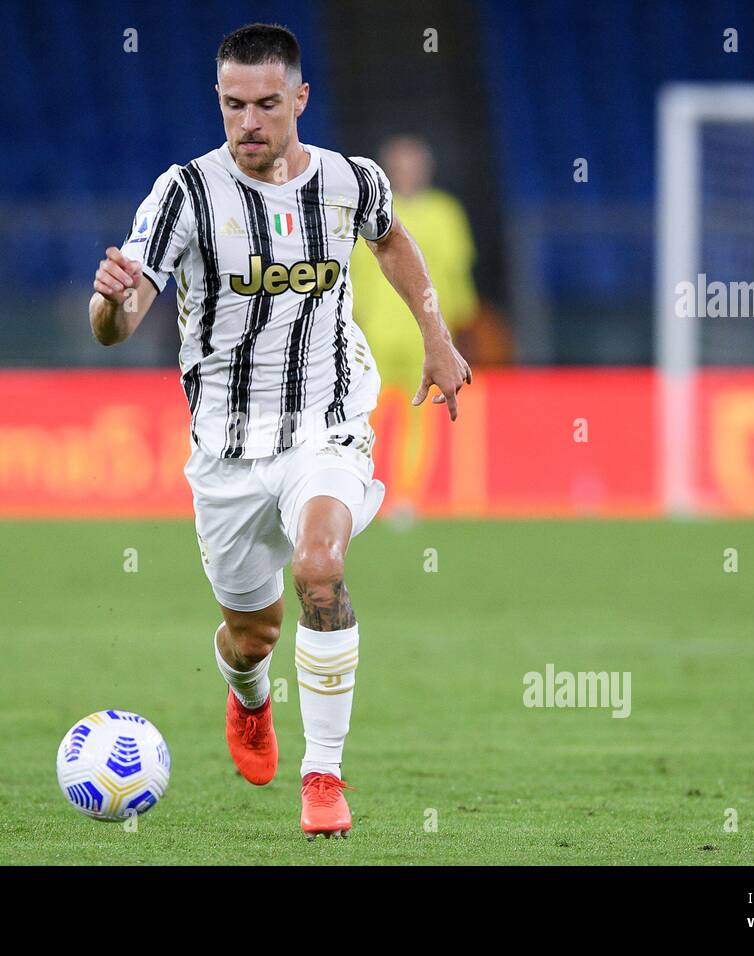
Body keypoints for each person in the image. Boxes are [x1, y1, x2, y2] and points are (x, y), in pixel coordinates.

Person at [87, 23, 471, 838]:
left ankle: (323, 779)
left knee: (322, 570)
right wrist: (109, 299)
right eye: (234, 105)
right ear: (218, 102)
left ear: (299, 99)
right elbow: (119, 324)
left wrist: (437, 337)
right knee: (251, 632)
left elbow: (393, 240)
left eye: (267, 104)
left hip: (325, 423)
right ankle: (247, 696)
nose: (250, 122)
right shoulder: (185, 194)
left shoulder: (347, 181)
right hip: (224, 450)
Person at [349, 137, 479, 513]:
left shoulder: (446, 213)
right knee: (362, 414)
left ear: (426, 169)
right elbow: (353, 276)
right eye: (401, 165)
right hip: (375, 333)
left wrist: (457, 325)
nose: (408, 172)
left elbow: (456, 274)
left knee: (418, 420)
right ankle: (358, 490)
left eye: (413, 165)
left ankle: (407, 498)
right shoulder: (373, 211)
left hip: (424, 337)